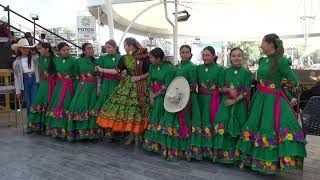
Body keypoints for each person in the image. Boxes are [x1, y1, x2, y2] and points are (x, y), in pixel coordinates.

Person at [236, 33, 306, 174]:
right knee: (255, 125)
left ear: (270, 44)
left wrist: (278, 87)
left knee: (269, 128)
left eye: (263, 42)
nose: (261, 45)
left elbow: (294, 82)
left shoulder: (280, 61)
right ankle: (254, 160)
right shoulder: (263, 61)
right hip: (260, 98)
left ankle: (269, 164)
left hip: (272, 101)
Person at [96, 37, 150, 144]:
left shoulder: (145, 57)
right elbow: (117, 70)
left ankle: (138, 135)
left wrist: (139, 78)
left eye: (125, 46)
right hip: (126, 86)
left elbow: (150, 72)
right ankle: (129, 134)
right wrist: (102, 69)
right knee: (122, 109)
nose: (124, 48)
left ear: (130, 46)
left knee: (138, 111)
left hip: (140, 86)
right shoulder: (124, 58)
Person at [211, 47, 251, 163]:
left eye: (239, 55)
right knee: (223, 125)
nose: (236, 58)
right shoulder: (224, 71)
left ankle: (237, 157)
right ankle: (224, 156)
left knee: (239, 126)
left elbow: (246, 90)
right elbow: (219, 87)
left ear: (242, 57)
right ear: (230, 58)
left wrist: (235, 100)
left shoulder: (247, 73)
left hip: (239, 105)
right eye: (234, 56)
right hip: (225, 104)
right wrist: (228, 89)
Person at [143, 47, 175, 155]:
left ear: (158, 58)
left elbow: (167, 86)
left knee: (162, 120)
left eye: (151, 58)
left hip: (164, 98)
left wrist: (155, 95)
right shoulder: (152, 66)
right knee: (154, 119)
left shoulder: (169, 68)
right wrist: (151, 95)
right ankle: (153, 145)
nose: (150, 59)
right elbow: (149, 82)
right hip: (153, 96)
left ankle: (162, 146)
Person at [66, 43, 100, 141]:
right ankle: (79, 132)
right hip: (83, 87)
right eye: (88, 49)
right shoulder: (79, 61)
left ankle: (91, 133)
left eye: (92, 48)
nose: (91, 50)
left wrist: (98, 87)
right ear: (84, 51)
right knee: (79, 106)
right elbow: (76, 75)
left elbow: (99, 76)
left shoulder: (96, 61)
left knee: (92, 107)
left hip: (93, 88)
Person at [196, 46, 225, 160]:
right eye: (203, 55)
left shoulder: (220, 69)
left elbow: (221, 87)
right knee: (201, 123)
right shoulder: (198, 68)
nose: (205, 57)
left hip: (214, 100)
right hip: (200, 99)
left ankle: (213, 152)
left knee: (211, 123)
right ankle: (202, 150)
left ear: (213, 56)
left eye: (207, 55)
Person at [45, 42, 77, 139]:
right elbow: (53, 72)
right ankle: (56, 130)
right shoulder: (56, 60)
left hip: (69, 87)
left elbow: (76, 74)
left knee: (65, 105)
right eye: (63, 50)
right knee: (56, 104)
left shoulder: (73, 60)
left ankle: (67, 130)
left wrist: (69, 78)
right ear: (59, 52)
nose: (66, 52)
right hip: (58, 87)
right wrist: (57, 74)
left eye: (68, 49)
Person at [27, 42, 56, 133]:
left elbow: (57, 72)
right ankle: (36, 125)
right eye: (38, 49)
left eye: (40, 48)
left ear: (47, 49)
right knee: (38, 101)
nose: (39, 50)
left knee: (48, 102)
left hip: (52, 84)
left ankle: (48, 127)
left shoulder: (54, 59)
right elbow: (39, 71)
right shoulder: (40, 58)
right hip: (43, 83)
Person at [12, 38, 39, 116]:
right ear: (19, 49)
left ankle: (36, 122)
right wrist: (18, 91)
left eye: (27, 47)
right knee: (28, 102)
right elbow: (16, 78)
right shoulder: (16, 63)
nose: (26, 49)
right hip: (24, 82)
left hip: (34, 80)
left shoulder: (35, 58)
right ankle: (30, 122)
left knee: (34, 101)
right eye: (23, 48)